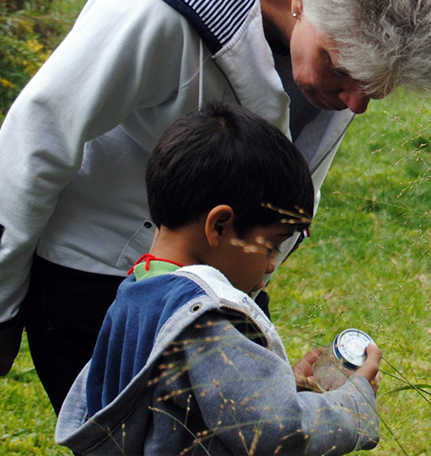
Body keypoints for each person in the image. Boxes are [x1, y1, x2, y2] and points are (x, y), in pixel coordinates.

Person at [0, 0, 431, 412]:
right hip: (107, 289)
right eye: (342, 71)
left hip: (223, 285)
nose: (355, 103)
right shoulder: (155, 8)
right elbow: (36, 138)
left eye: (376, 88)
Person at [55, 102, 381, 455]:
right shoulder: (204, 322)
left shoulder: (139, 289)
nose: (272, 265)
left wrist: (286, 386)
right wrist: (353, 403)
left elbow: (206, 404)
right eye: (271, 245)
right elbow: (283, 432)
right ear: (220, 226)